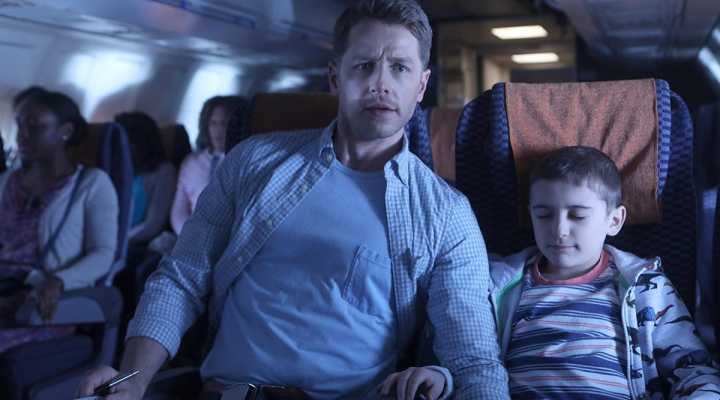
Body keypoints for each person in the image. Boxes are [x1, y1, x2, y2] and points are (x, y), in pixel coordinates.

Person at [79, 1, 508, 399]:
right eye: (364, 65)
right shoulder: (253, 162)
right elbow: (181, 278)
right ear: (335, 77)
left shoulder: (446, 215)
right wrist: (131, 380)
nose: (380, 83)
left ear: (421, 85)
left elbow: (472, 360)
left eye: (399, 67)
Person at [487, 146, 719, 398]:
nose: (559, 230)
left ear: (614, 220)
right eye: (543, 215)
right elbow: (473, 360)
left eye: (578, 216)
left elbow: (693, 369)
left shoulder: (645, 286)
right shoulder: (498, 284)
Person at [0, 89, 118, 352]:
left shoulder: (92, 184)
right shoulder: (8, 181)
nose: (22, 134)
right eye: (19, 124)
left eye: (35, 126)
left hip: (42, 303)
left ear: (65, 131)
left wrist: (58, 281)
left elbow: (103, 253)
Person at [170, 96, 233, 235]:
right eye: (213, 123)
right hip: (192, 235)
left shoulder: (242, 161)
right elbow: (178, 212)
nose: (218, 130)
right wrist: (190, 236)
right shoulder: (191, 162)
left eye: (224, 124)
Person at [114, 112, 176, 245]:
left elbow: (153, 224)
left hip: (134, 243)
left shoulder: (164, 171)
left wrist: (118, 243)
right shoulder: (113, 166)